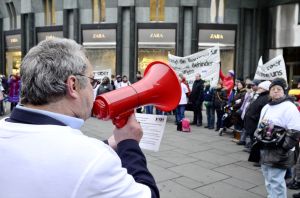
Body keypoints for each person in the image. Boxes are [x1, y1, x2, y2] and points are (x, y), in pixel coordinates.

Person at [0, 38, 159, 198]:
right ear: (73, 86)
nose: (93, 88)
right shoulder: (93, 159)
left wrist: (108, 144)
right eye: (92, 81)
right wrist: (128, 143)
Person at [255, 78, 300, 198]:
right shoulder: (267, 107)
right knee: (268, 178)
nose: (275, 91)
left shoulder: (289, 107)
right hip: (265, 147)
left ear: (284, 91)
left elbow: (295, 130)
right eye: (273, 89)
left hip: (279, 150)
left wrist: (284, 147)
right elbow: (260, 126)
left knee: (276, 181)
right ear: (269, 92)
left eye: (278, 89)